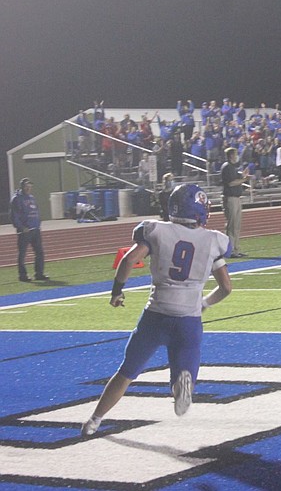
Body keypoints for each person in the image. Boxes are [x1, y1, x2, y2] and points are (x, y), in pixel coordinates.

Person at [80, 184, 232, 436]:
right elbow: (226, 288)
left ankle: (95, 420)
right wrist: (204, 303)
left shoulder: (156, 231)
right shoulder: (213, 241)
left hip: (156, 315)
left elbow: (129, 260)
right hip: (189, 319)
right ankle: (180, 387)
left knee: (126, 372)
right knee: (183, 373)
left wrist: (117, 291)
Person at [10, 178, 48, 282]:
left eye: (30, 186)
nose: (28, 188)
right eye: (26, 186)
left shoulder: (32, 198)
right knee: (22, 254)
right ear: (22, 186)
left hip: (35, 229)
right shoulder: (17, 199)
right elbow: (14, 216)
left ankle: (39, 273)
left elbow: (36, 211)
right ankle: (22, 275)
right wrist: (21, 227)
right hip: (25, 231)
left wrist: (38, 223)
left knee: (39, 252)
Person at [220, 146, 250, 258]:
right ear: (231, 155)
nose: (237, 156)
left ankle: (236, 249)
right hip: (230, 198)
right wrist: (244, 179)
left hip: (236, 197)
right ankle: (230, 250)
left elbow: (238, 178)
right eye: (235, 154)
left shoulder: (232, 167)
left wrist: (243, 175)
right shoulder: (227, 167)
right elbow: (231, 183)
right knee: (232, 225)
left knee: (236, 225)